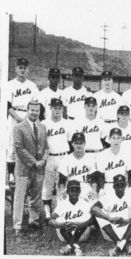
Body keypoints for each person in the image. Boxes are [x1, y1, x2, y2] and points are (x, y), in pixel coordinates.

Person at [13, 100, 49, 235]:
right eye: (32, 110)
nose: (34, 113)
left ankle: (33, 220)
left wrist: (44, 159)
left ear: (40, 112)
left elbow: (46, 147)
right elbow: (19, 148)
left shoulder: (43, 127)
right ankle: (18, 226)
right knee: (20, 197)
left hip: (39, 169)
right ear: (27, 110)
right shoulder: (19, 127)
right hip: (24, 169)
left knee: (36, 196)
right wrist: (34, 161)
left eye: (37, 110)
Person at [91, 174, 131, 256]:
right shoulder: (107, 196)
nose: (120, 186)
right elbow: (93, 208)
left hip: (128, 230)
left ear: (126, 185)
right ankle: (123, 244)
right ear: (113, 186)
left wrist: (128, 220)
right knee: (99, 215)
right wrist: (109, 218)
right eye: (117, 184)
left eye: (122, 184)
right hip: (111, 232)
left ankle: (119, 246)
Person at [7, 58, 39, 184]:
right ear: (16, 69)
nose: (22, 69)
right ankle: (11, 175)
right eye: (20, 67)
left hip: (29, 116)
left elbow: (36, 104)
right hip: (14, 115)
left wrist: (28, 118)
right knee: (12, 145)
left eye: (24, 67)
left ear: (28, 69)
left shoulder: (32, 85)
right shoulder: (10, 84)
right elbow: (7, 106)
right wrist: (19, 118)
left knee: (29, 146)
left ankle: (27, 176)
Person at [42, 98, 71, 220]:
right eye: (55, 108)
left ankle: (61, 210)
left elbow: (70, 142)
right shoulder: (44, 123)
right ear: (50, 108)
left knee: (63, 185)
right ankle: (47, 212)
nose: (57, 110)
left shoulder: (67, 123)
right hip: (49, 157)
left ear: (63, 109)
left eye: (60, 108)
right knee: (47, 185)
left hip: (63, 156)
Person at [49, 180, 93, 256]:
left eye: (77, 190)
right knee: (60, 220)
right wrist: (63, 224)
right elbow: (51, 221)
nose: (74, 193)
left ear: (80, 191)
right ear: (67, 191)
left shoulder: (84, 203)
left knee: (85, 219)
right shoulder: (62, 204)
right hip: (65, 234)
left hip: (81, 233)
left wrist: (80, 224)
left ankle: (70, 246)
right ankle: (76, 248)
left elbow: (91, 220)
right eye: (72, 190)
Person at [58, 132, 98, 203]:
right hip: (70, 187)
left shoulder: (90, 158)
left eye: (81, 143)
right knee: (61, 201)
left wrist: (94, 190)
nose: (79, 145)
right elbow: (62, 179)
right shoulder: (66, 159)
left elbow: (94, 178)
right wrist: (62, 190)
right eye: (76, 143)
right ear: (72, 144)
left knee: (94, 201)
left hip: (85, 186)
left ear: (84, 143)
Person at [96, 127, 131, 194]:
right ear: (109, 139)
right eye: (113, 138)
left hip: (123, 186)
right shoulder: (102, 155)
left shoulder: (127, 154)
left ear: (122, 139)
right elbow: (100, 176)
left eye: (118, 138)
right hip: (108, 186)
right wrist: (101, 188)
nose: (116, 141)